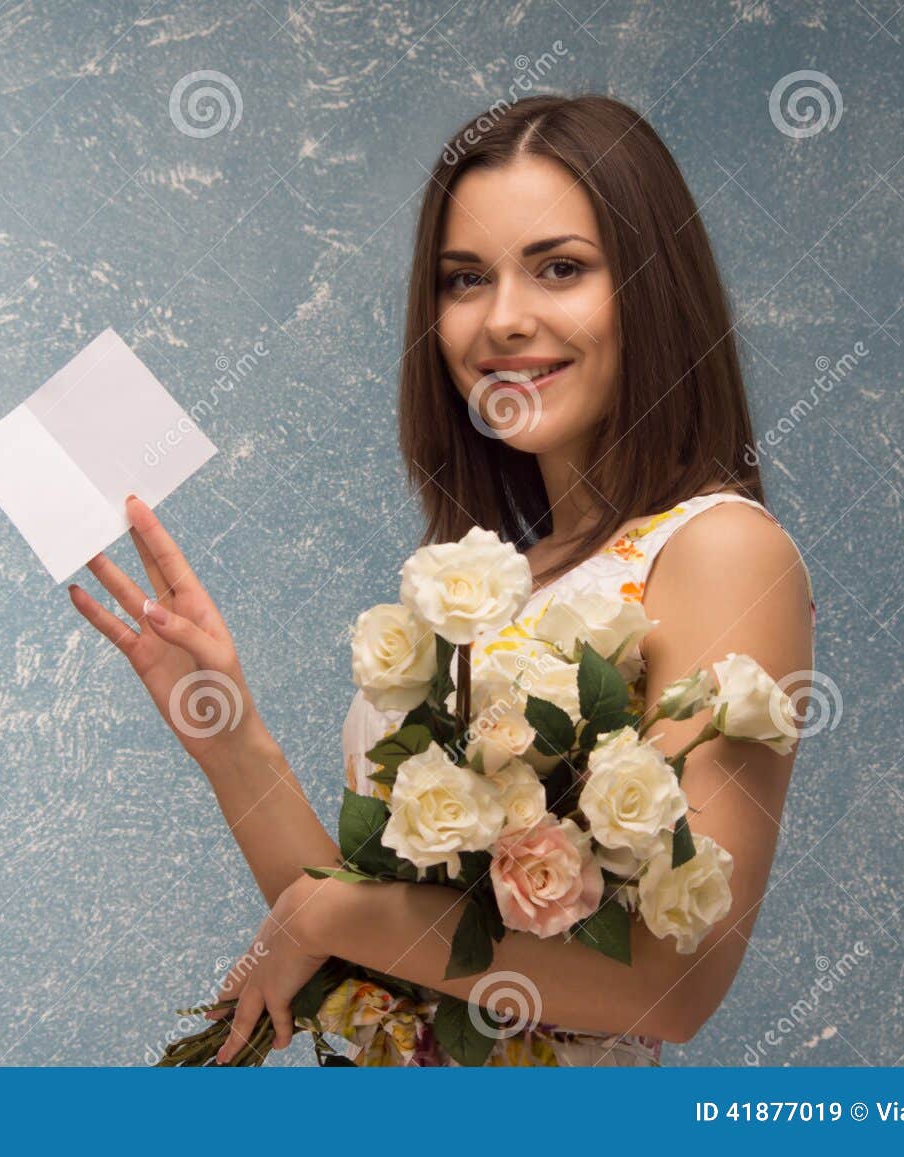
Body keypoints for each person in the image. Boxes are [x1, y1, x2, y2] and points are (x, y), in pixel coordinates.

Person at [68, 93, 816, 1066]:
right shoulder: (492, 586)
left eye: (559, 267)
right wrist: (223, 726)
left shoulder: (720, 549)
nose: (504, 318)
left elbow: (670, 981)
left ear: (651, 289)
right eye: (465, 279)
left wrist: (329, 910)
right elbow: (377, 953)